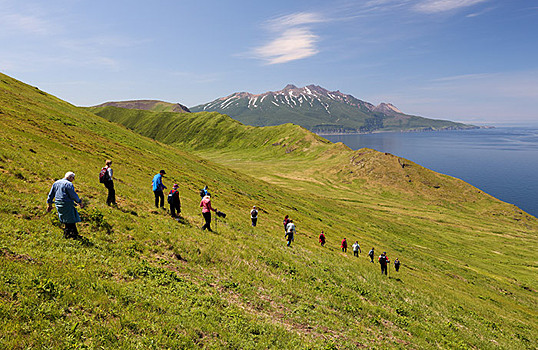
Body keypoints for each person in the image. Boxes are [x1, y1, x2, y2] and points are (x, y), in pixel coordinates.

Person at [47, 171, 85, 239]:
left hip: (58, 203)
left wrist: (49, 204)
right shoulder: (68, 184)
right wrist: (79, 202)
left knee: (66, 219)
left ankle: (70, 234)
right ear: (70, 177)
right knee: (71, 219)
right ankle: (71, 235)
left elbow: (51, 195)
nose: (73, 180)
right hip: (66, 203)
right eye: (73, 178)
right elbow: (73, 195)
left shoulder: (56, 183)